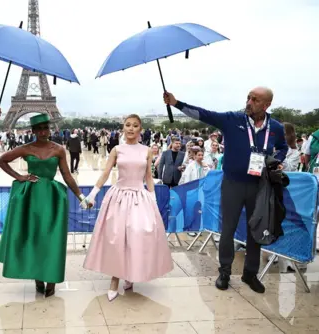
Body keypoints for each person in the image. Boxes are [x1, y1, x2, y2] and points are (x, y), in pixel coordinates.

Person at [164, 87, 288, 294]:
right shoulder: (233, 120)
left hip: (260, 186)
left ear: (266, 105)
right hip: (233, 184)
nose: (249, 102)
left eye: (255, 100)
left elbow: (283, 147)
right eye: (248, 97)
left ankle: (250, 273)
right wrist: (176, 103)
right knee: (228, 229)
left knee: (255, 230)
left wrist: (278, 161)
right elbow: (204, 114)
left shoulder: (275, 127)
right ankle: (225, 272)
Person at [0, 114, 91, 298]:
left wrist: (81, 197)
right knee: (34, 238)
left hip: (52, 200)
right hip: (30, 199)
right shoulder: (26, 148)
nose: (42, 132)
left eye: (45, 128)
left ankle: (51, 278)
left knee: (51, 239)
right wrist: (20, 177)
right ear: (33, 131)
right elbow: (1, 161)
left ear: (49, 129)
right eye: (38, 129)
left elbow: (67, 175)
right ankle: (38, 277)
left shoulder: (58, 149)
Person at [83, 114, 173, 302]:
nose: (131, 128)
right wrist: (92, 194)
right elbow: (106, 172)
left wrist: (153, 198)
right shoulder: (117, 149)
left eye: (135, 126)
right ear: (123, 128)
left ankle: (131, 274)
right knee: (118, 239)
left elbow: (148, 176)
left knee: (137, 236)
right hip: (119, 198)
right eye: (128, 125)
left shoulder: (147, 151)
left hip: (140, 198)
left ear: (140, 129)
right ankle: (114, 280)